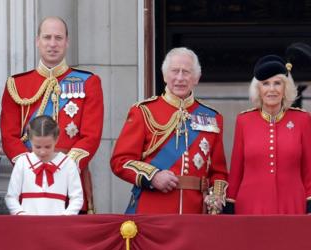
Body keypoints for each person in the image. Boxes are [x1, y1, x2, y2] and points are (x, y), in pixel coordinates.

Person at [0, 16, 103, 214]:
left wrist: (64, 166)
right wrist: (30, 166)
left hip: (70, 175)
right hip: (29, 178)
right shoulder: (17, 84)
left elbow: (91, 135)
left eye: (58, 38)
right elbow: (9, 135)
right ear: (37, 41)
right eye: (47, 37)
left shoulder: (89, 82)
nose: (53, 44)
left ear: (67, 42)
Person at [110, 47, 228, 214]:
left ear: (196, 78)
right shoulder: (144, 111)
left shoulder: (212, 117)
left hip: (195, 211)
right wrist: (153, 176)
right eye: (175, 71)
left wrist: (216, 198)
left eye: (186, 72)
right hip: (153, 209)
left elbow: (219, 172)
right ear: (165, 76)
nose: (180, 78)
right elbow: (120, 161)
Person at [224, 55, 311, 214]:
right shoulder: (244, 120)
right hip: (251, 205)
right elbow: (236, 169)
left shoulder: (302, 119)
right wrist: (230, 203)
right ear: (258, 89)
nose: (272, 89)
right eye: (265, 84)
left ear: (285, 88)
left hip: (293, 205)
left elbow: (309, 169)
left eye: (277, 83)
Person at [5, 115, 83, 215]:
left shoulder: (68, 163)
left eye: (47, 147)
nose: (42, 152)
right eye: (37, 147)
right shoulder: (23, 162)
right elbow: (11, 196)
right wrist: (20, 214)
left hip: (58, 225)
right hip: (27, 224)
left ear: (56, 139)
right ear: (30, 140)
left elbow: (77, 197)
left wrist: (65, 217)